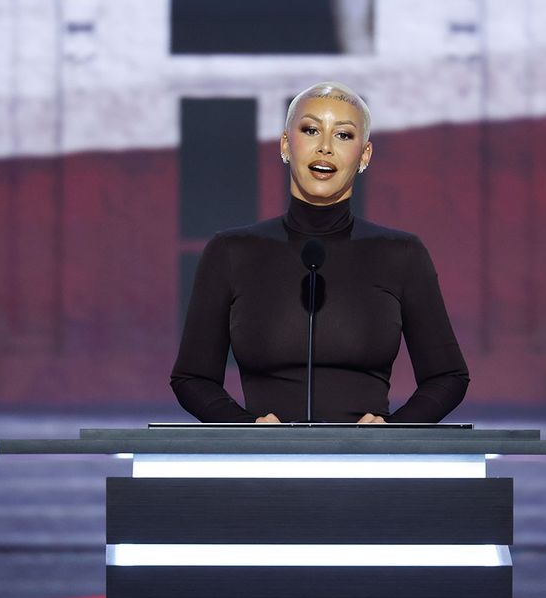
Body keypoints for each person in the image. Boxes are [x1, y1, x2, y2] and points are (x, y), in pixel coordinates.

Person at [170, 81, 468, 423]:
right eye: (311, 130)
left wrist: (395, 431)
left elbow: (448, 376)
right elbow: (192, 378)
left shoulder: (401, 254)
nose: (324, 147)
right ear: (285, 145)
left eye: (343, 135)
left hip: (368, 468)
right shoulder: (231, 252)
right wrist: (245, 429)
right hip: (263, 467)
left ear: (365, 155)